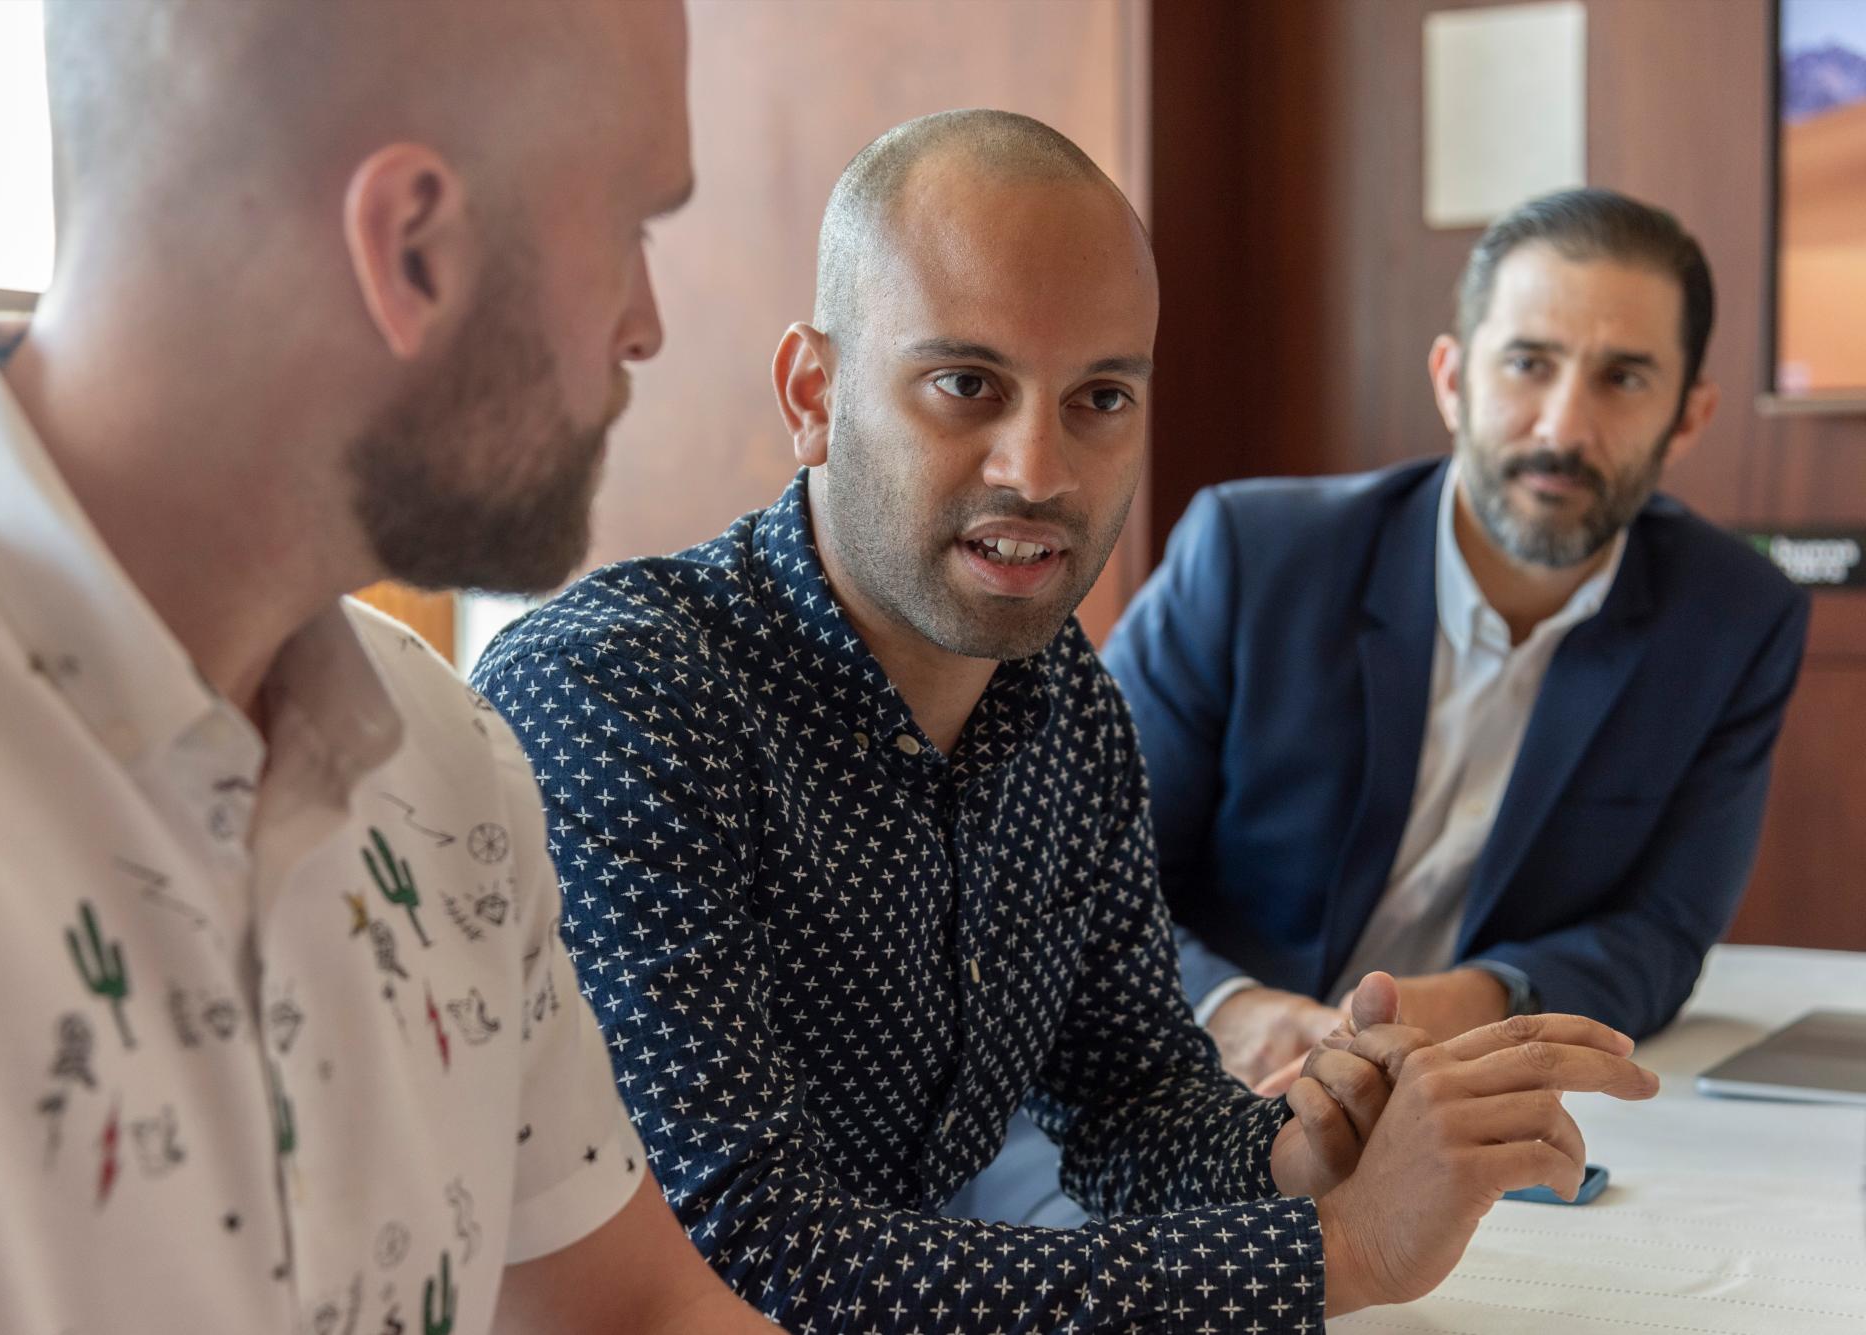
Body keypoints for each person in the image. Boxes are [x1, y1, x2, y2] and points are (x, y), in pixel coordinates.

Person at [475, 111, 1658, 1331]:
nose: (1035, 470)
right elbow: (748, 1257)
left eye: (1098, 397)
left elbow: (1130, 1105)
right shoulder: (616, 699)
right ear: (812, 393)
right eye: (964, 386)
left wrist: (1300, 1153)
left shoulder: (1059, 695)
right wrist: (1332, 1255)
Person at [0, 2, 781, 1332]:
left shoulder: (453, 768)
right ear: (410, 246)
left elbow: (631, 1309)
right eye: (632, 226)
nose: (643, 327)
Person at [1101, 187, 1809, 1097]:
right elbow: (1077, 870)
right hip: (1179, 1086)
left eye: (1623, 378)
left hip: (1457, 1098)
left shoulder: (1733, 620)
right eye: (1527, 363)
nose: (1562, 427)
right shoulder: (1251, 556)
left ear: (1689, 418)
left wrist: (1467, 1004)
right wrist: (1229, 1008)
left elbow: (1662, 932)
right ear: (1451, 379)